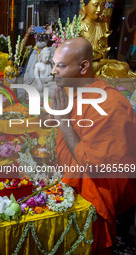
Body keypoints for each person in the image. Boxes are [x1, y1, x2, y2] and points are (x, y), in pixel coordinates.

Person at [49, 37, 136, 254]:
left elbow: (94, 163)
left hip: (98, 182)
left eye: (60, 65)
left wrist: (62, 120)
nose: (53, 71)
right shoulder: (70, 88)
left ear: (83, 67)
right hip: (72, 167)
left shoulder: (110, 104)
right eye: (54, 64)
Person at [80, 0, 136, 78]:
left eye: (102, 5)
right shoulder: (78, 25)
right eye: (95, 6)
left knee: (124, 66)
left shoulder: (103, 24)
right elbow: (76, 54)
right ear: (84, 6)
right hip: (87, 64)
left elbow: (104, 49)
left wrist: (102, 57)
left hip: (101, 62)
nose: (99, 10)